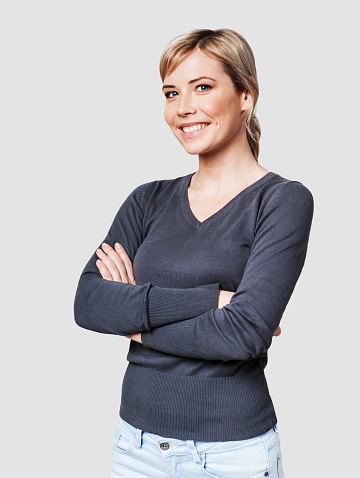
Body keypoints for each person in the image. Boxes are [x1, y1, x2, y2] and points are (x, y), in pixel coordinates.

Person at [74, 28, 314, 478]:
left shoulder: (282, 201)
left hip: (231, 455)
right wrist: (209, 301)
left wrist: (137, 325)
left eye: (202, 87)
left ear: (245, 94)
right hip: (136, 446)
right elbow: (89, 303)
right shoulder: (148, 200)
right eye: (171, 92)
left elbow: (244, 334)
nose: (183, 107)